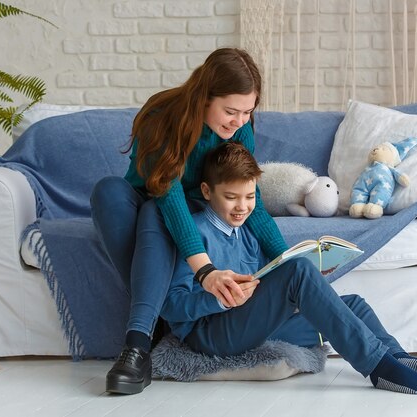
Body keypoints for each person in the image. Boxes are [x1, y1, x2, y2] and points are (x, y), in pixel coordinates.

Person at [160, 142, 417, 395]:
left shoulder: (248, 234)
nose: (242, 207)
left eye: (249, 197)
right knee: (298, 270)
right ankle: (379, 369)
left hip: (248, 324)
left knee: (353, 305)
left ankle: (400, 359)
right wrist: (218, 298)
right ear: (207, 192)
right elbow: (172, 307)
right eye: (231, 197)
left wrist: (313, 282)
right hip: (211, 334)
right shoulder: (193, 235)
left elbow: (266, 285)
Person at [90, 48, 289, 395]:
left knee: (157, 212)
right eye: (230, 111)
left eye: (247, 112)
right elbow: (166, 194)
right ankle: (152, 329)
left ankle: (138, 342)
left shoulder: (240, 129)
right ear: (204, 97)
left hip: (197, 209)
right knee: (110, 192)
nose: (238, 122)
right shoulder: (162, 114)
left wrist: (288, 259)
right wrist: (206, 271)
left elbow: (248, 199)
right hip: (149, 200)